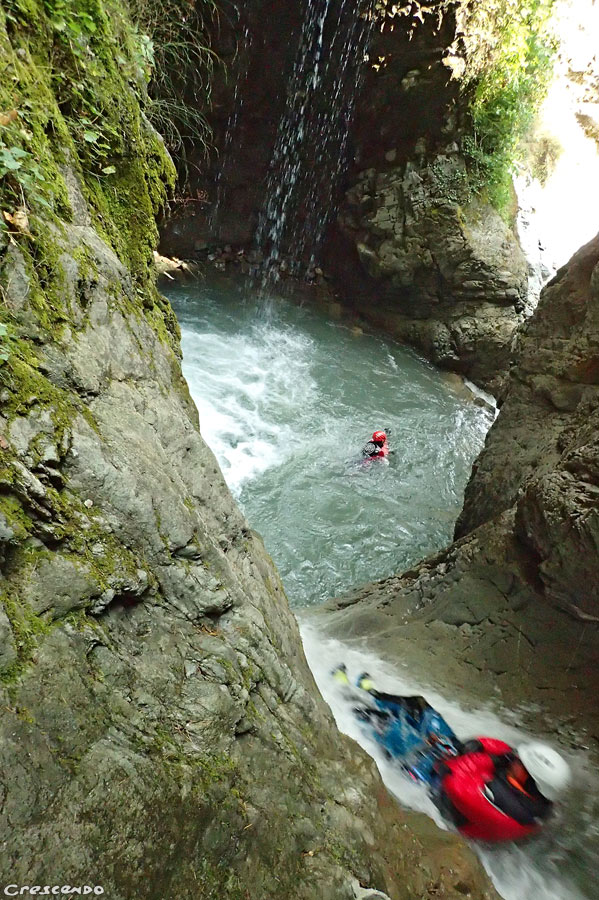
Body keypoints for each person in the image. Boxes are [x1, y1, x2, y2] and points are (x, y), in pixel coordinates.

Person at [332, 666, 571, 843]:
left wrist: (481, 756)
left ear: (529, 779)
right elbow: (499, 749)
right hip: (452, 761)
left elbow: (456, 784)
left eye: (521, 763)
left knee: (388, 726)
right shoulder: (529, 790)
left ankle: (345, 697)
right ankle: (373, 694)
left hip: (433, 784)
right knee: (420, 707)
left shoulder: (503, 806)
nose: (516, 759)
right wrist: (479, 748)